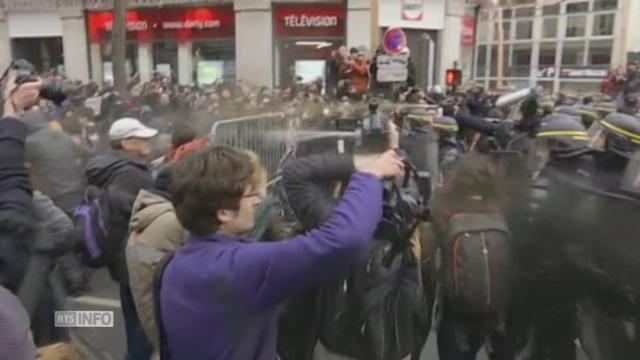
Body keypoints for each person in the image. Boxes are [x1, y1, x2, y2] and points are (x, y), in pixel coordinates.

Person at [160, 145, 404, 359]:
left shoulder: (175, 264)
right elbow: (344, 239)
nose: (258, 201)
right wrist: (369, 177)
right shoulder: (239, 267)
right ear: (223, 212)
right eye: (251, 194)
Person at [85, 117, 157, 360]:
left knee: (134, 319)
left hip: (120, 258)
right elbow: (145, 210)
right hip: (136, 256)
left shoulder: (109, 169)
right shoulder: (132, 174)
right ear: (126, 143)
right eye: (142, 137)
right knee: (144, 326)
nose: (149, 141)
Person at [23, 110, 87, 215]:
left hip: (54, 194)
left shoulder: (30, 142)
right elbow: (88, 152)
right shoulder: (64, 135)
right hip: (78, 189)